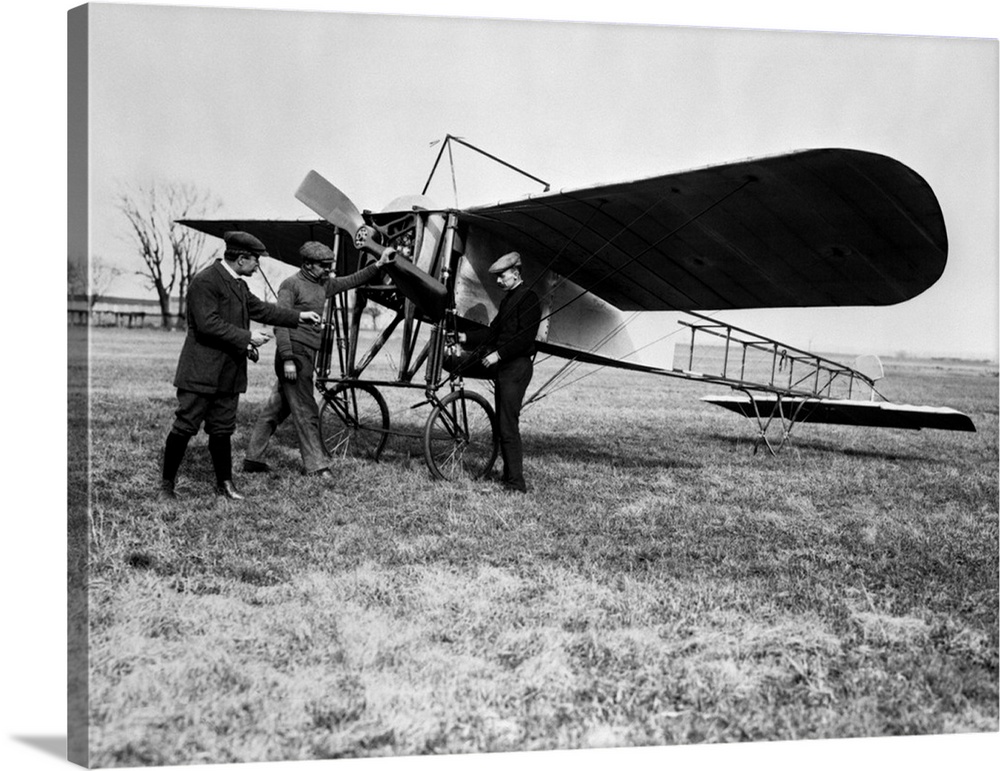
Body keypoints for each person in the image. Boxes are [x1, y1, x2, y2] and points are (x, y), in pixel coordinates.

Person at [159, 231, 322, 501]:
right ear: (241, 258)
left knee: (222, 429)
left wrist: (299, 316)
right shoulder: (206, 281)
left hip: (229, 372)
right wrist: (248, 337)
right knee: (185, 426)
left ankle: (225, 483)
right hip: (201, 371)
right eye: (255, 261)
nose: (258, 266)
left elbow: (262, 310)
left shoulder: (238, 285)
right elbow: (207, 324)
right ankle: (167, 485)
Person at [243, 241, 392, 477]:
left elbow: (352, 280)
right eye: (323, 266)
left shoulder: (323, 284)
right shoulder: (290, 285)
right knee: (306, 410)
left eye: (329, 266)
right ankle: (316, 466)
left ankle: (253, 458)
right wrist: (289, 359)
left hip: (306, 355)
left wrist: (379, 264)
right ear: (308, 264)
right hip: (293, 355)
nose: (328, 270)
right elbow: (280, 324)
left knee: (275, 409)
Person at [459, 251, 542, 493]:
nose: (498, 281)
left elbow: (524, 338)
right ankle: (509, 477)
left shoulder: (529, 299)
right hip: (506, 367)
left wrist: (499, 354)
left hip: (517, 366)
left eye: (502, 276)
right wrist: (466, 337)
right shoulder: (509, 300)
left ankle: (516, 483)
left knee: (508, 425)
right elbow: (493, 332)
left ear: (515, 274)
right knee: (503, 423)